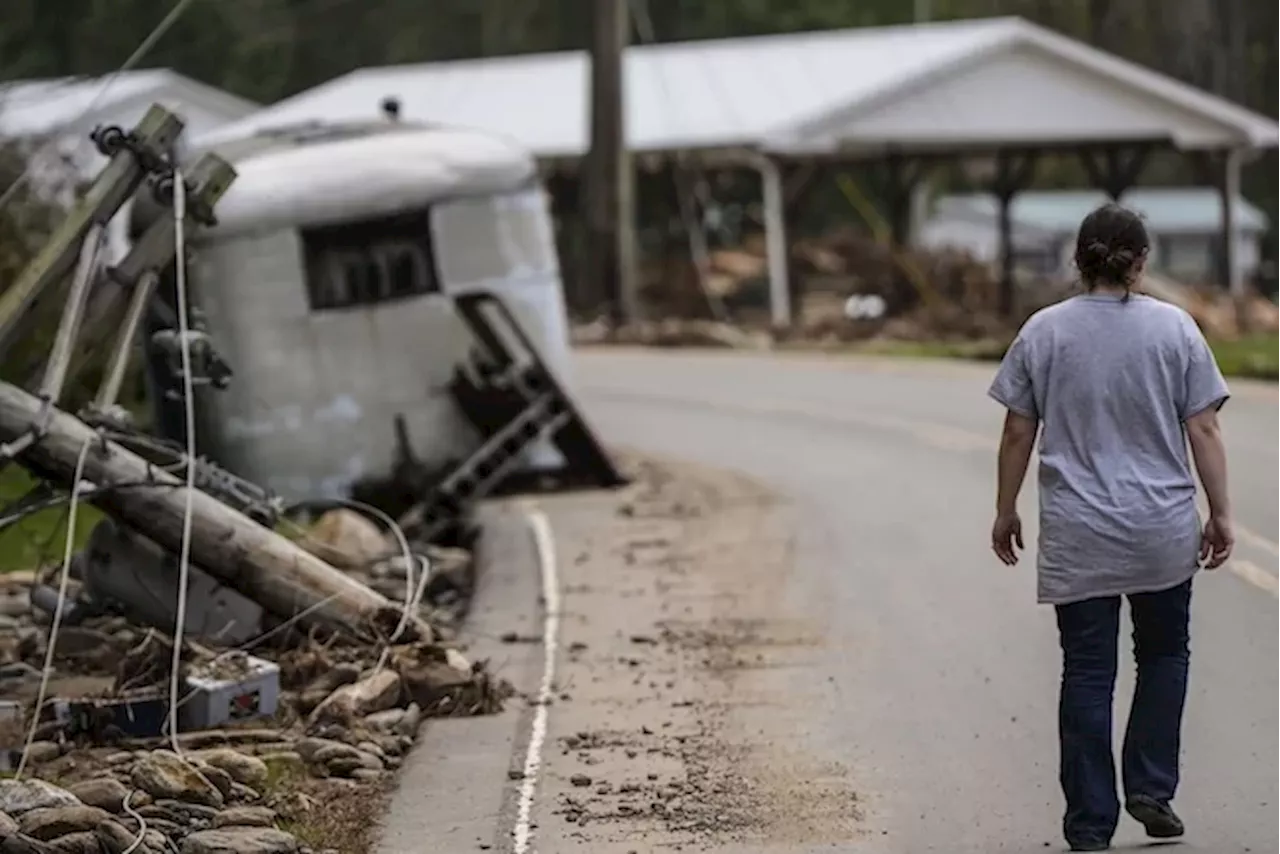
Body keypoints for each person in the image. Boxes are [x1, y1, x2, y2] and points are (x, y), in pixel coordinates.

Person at [986, 203, 1233, 852]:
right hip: (1160, 530)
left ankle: (1091, 823)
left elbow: (1018, 428)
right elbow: (1203, 426)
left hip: (1079, 533)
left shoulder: (1043, 331)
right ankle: (1150, 787)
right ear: (1142, 262)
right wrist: (1222, 512)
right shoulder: (1175, 329)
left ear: (1079, 259)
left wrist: (1006, 507)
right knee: (1163, 655)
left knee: (1087, 672)